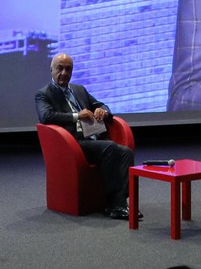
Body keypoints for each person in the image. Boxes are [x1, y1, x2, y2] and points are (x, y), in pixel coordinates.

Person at [35, 53, 135, 219]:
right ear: (51, 69)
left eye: (68, 69)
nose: (64, 73)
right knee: (110, 147)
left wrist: (103, 111)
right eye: (60, 68)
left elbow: (101, 104)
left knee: (126, 152)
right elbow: (46, 116)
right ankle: (114, 204)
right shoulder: (44, 94)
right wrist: (76, 116)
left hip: (93, 138)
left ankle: (119, 202)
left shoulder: (79, 89)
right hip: (72, 143)